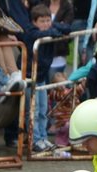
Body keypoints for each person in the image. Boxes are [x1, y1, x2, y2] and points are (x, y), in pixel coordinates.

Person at [22, 4, 65, 153]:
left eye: (48, 20)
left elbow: (67, 29)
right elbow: (37, 35)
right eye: (42, 21)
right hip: (29, 77)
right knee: (33, 110)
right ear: (34, 22)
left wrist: (55, 27)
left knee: (43, 109)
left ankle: (43, 137)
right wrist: (55, 31)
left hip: (40, 76)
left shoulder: (49, 30)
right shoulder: (31, 32)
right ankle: (35, 140)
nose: (46, 24)